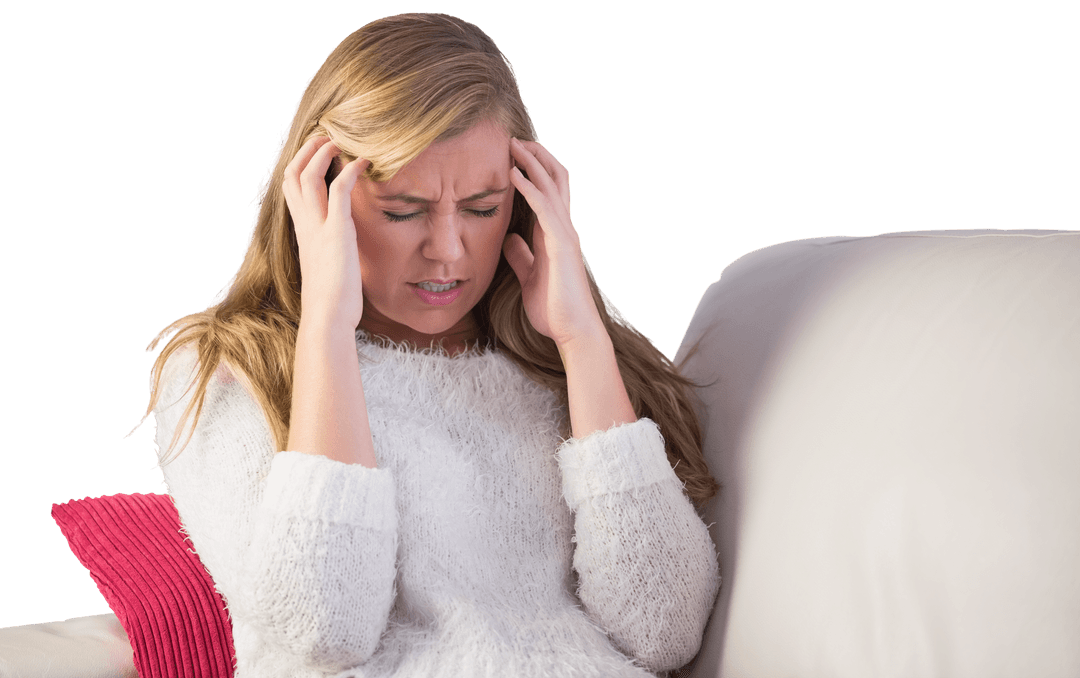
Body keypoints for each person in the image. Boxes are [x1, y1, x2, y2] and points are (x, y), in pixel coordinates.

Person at [130, 12, 720, 678]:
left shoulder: (558, 366)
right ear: (319, 194)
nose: (446, 250)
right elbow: (323, 630)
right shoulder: (228, 371)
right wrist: (326, 328)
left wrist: (583, 340)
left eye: (481, 207)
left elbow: (663, 628)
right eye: (403, 211)